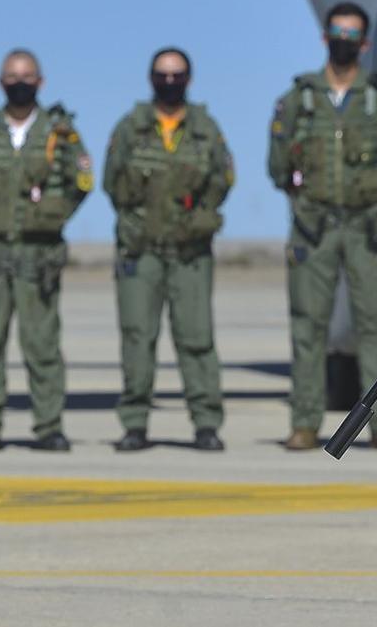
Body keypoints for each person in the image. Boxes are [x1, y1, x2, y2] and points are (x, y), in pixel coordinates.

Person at [268, 2, 377, 452]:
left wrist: (375, 197)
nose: (344, 40)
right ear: (325, 38)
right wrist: (304, 202)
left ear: (365, 43)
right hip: (315, 228)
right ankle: (305, 421)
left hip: (365, 227)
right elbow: (277, 165)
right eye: (337, 31)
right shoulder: (299, 99)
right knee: (308, 324)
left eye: (352, 34)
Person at [0, 49, 93, 452]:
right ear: (0, 82)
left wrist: (52, 216)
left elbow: (81, 182)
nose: (20, 82)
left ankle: (49, 426)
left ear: (41, 82)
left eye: (28, 75)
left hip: (38, 256)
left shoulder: (61, 132)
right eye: (12, 76)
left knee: (42, 345)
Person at [103, 47, 233, 452]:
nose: (169, 81)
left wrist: (199, 222)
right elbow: (113, 183)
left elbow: (221, 181)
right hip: (141, 253)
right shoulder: (130, 128)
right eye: (162, 74)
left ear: (189, 80)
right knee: (138, 337)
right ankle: (135, 423)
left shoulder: (206, 130)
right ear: (150, 78)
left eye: (177, 75)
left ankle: (206, 423)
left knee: (196, 338)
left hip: (190, 254)